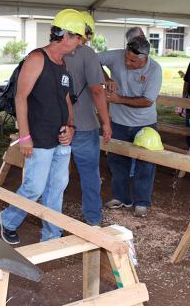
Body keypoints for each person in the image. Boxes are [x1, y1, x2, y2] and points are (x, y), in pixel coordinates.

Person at [0, 9, 84, 244]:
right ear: (66, 35)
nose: (80, 42)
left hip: (61, 137)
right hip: (39, 137)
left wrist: (71, 126)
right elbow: (20, 97)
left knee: (57, 188)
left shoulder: (63, 64)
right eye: (79, 37)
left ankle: (51, 235)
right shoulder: (38, 58)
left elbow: (67, 99)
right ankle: (8, 220)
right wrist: (25, 137)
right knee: (34, 187)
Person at [98, 36, 162, 217]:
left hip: (145, 124)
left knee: (145, 163)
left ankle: (142, 202)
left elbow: (147, 101)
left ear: (144, 58)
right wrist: (106, 77)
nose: (127, 62)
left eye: (132, 60)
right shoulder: (117, 56)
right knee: (117, 162)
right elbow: (92, 60)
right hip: (118, 121)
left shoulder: (155, 69)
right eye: (126, 57)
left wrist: (118, 100)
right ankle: (121, 197)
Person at [64, 11, 111, 226]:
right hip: (84, 125)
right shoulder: (87, 54)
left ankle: (51, 220)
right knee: (90, 175)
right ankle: (93, 219)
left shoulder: (49, 53)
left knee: (53, 177)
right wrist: (106, 122)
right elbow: (97, 91)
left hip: (57, 126)